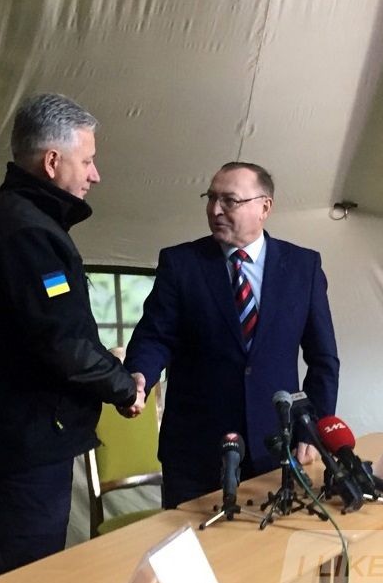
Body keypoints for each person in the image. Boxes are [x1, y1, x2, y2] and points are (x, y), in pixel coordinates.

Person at [0, 93, 144, 576]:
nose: (95, 175)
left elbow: (55, 330)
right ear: (53, 161)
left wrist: (109, 366)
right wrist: (124, 386)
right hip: (22, 444)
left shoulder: (22, 221)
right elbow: (61, 343)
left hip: (21, 439)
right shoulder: (27, 233)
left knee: (27, 580)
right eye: (88, 160)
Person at [124, 162, 339, 509]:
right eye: (210, 198)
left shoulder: (303, 267)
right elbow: (155, 336)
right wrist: (139, 376)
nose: (215, 210)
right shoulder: (182, 263)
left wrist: (312, 429)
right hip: (195, 450)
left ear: (264, 207)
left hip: (275, 448)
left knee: (268, 542)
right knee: (192, 541)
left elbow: (323, 359)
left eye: (230, 200)